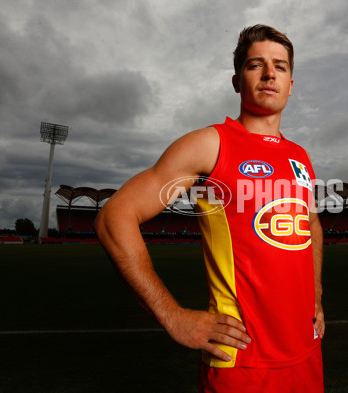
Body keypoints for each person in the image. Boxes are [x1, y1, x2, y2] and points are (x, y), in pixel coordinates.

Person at [95, 24, 325, 392]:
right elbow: (114, 217)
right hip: (242, 362)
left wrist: (315, 295)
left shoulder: (300, 157)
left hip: (307, 354)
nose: (270, 74)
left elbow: (310, 224)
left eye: (280, 67)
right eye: (256, 65)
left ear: (291, 84)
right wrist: (173, 317)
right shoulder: (210, 145)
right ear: (236, 80)